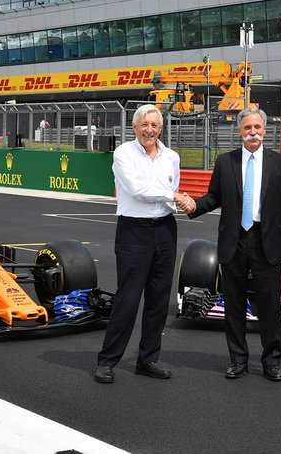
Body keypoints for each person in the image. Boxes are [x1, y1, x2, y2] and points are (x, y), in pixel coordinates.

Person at [179, 107, 281, 382]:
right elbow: (214, 197)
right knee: (234, 305)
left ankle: (271, 362)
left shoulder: (280, 162)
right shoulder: (225, 162)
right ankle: (238, 360)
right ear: (239, 131)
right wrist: (194, 205)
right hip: (234, 240)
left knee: (269, 305)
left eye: (256, 127)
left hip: (266, 240)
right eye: (246, 128)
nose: (252, 132)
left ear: (265, 130)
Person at [94, 104, 191, 384]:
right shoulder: (123, 153)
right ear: (135, 127)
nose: (150, 130)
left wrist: (173, 197)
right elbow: (137, 190)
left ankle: (148, 359)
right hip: (133, 231)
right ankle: (107, 360)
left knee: (159, 299)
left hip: (164, 230)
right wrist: (175, 196)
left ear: (161, 128)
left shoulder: (171, 157)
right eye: (145, 124)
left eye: (155, 125)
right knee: (128, 299)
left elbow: (169, 190)